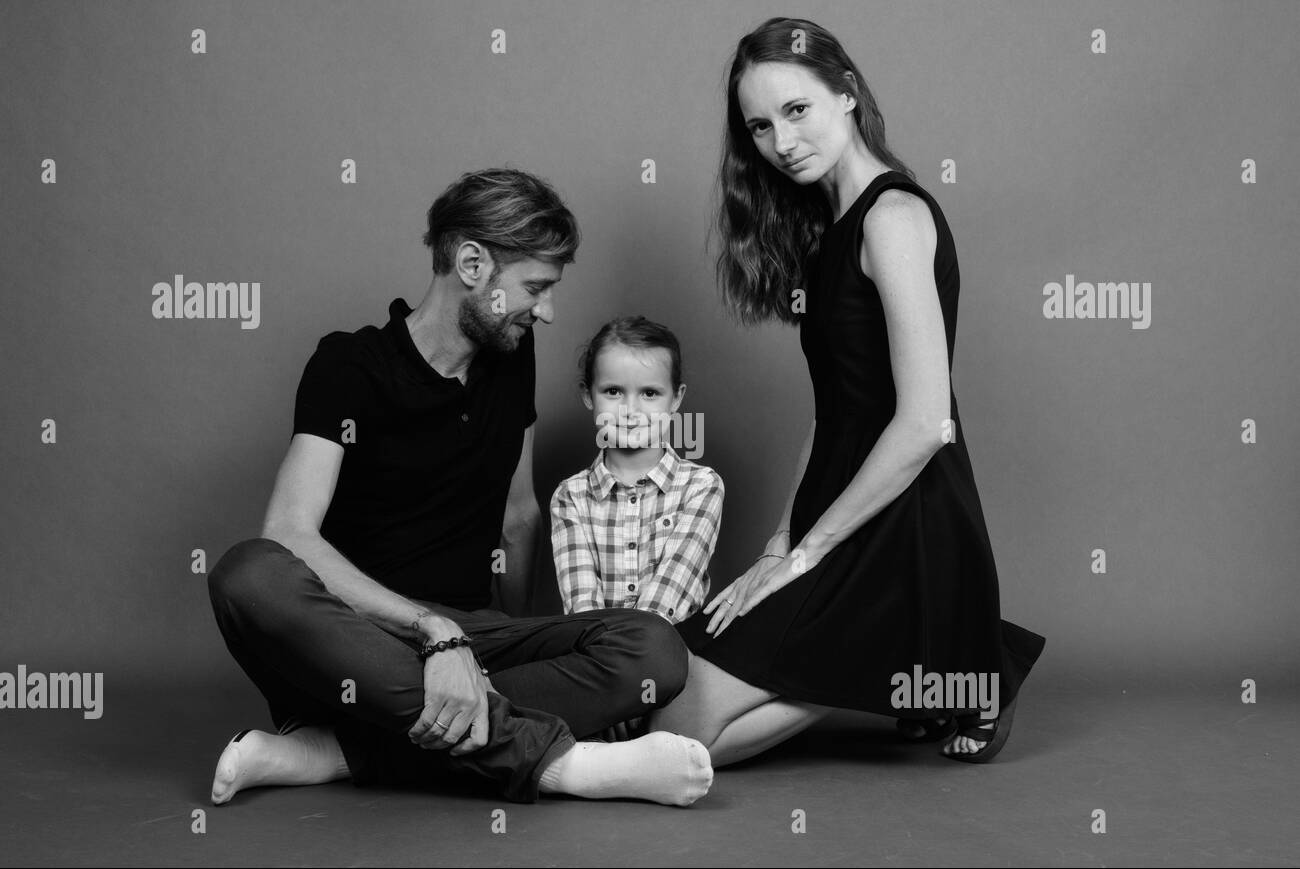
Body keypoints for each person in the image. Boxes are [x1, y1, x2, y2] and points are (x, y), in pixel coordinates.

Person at [207, 168, 713, 807]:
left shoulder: (511, 354)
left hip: (475, 641)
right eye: (536, 287)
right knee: (246, 572)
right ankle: (563, 764)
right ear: (472, 263)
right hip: (358, 643)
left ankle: (336, 751)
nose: (548, 311)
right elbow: (288, 532)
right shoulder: (349, 366)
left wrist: (493, 642)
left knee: (655, 647)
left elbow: (519, 516)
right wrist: (432, 631)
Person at [649, 18, 1047, 765]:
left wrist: (807, 557)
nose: (781, 141)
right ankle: (937, 668)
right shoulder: (826, 235)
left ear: (848, 94)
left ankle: (956, 666)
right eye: (760, 126)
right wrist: (779, 541)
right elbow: (835, 412)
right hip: (839, 510)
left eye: (796, 111)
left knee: (679, 734)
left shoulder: (894, 217)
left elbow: (927, 423)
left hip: (905, 521)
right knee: (665, 699)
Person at [550, 317, 725, 628]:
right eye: (614, 391)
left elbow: (668, 597)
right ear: (589, 394)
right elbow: (583, 612)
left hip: (672, 649)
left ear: (677, 398)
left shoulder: (701, 487)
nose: (630, 411)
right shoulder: (570, 497)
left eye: (649, 393)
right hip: (597, 654)